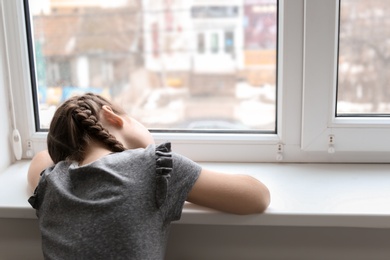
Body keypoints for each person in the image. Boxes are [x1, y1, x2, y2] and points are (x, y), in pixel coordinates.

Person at [27, 92, 270, 260]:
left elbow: (40, 158)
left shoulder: (52, 183)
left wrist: (71, 151)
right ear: (112, 116)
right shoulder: (151, 165)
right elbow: (257, 197)